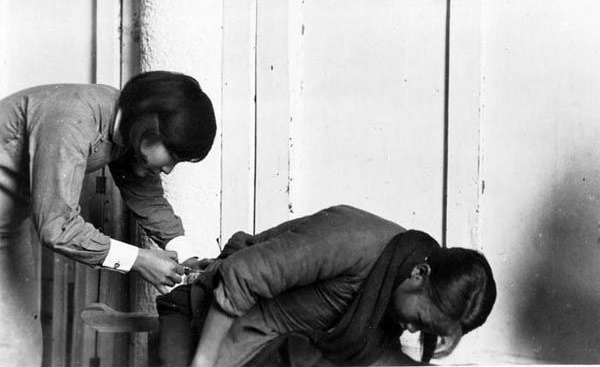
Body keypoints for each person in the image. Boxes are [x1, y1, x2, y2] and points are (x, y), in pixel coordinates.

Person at [0, 71, 217, 366]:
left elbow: (147, 197)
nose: (168, 170)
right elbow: (57, 227)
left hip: (7, 229)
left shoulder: (129, 129)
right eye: (173, 157)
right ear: (151, 125)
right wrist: (138, 260)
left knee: (20, 347)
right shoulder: (74, 116)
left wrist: (187, 258)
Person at [156, 204, 496, 367]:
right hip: (208, 314)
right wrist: (203, 363)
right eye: (419, 320)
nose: (410, 329)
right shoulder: (355, 240)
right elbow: (241, 276)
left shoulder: (396, 277)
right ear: (420, 274)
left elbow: (377, 355)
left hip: (281, 346)